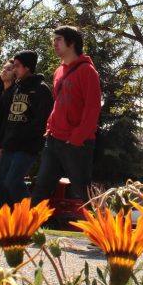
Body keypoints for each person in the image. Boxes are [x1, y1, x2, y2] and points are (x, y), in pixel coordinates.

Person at [31, 26, 101, 204]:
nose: (54, 43)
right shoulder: (58, 71)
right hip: (54, 139)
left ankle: (102, 230)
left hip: (77, 143)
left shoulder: (88, 71)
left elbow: (93, 109)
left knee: (84, 191)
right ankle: (26, 231)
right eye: (53, 39)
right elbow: (58, 104)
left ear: (72, 43)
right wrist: (49, 127)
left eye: (59, 39)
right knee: (41, 188)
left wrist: (77, 137)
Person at [0, 51, 53, 207]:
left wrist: (22, 136)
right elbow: (6, 119)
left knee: (13, 181)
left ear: (27, 67)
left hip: (27, 146)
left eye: (17, 66)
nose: (14, 69)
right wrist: (2, 144)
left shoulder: (41, 89)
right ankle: (5, 225)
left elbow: (42, 120)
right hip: (9, 146)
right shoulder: (15, 89)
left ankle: (31, 218)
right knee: (1, 183)